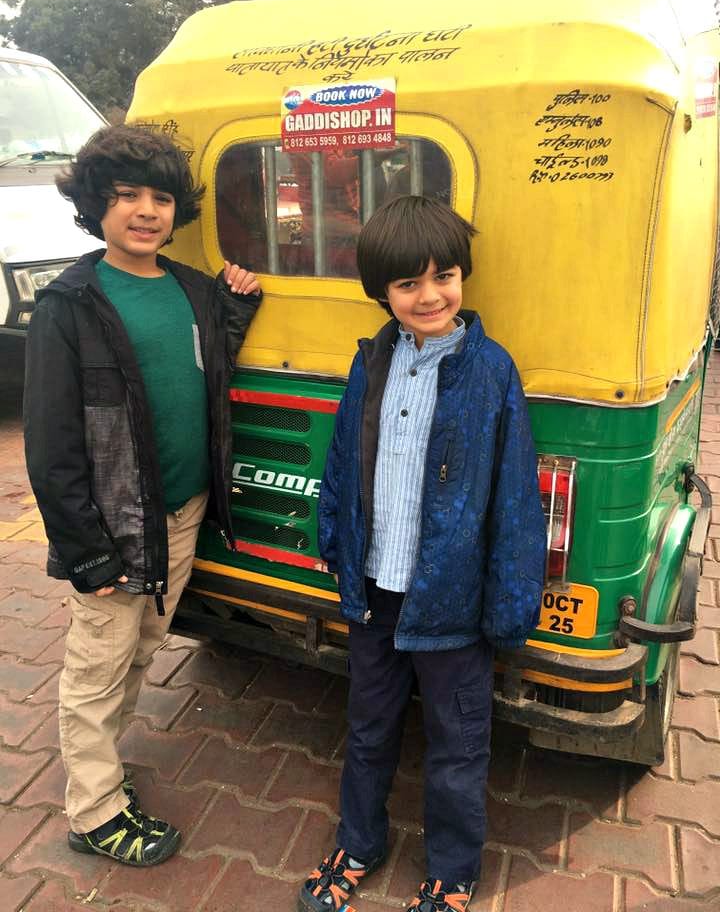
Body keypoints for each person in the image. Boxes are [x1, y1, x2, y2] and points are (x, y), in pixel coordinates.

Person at [297, 195, 545, 912]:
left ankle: (453, 872)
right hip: (375, 591)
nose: (429, 295)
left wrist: (507, 605)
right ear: (384, 293)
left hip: (454, 603)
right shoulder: (372, 362)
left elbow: (513, 500)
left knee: (458, 743)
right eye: (408, 284)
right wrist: (337, 545)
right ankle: (360, 842)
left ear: (463, 276)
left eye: (444, 276)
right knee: (369, 725)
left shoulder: (492, 372)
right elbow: (343, 459)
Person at [23, 124, 262, 867]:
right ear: (96, 206)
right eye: (125, 196)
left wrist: (235, 309)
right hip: (114, 526)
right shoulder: (73, 302)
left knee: (142, 648)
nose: (145, 211)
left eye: (160, 197)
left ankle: (105, 773)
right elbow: (50, 445)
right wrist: (88, 550)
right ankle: (94, 811)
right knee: (98, 665)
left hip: (183, 511)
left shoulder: (190, 288)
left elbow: (208, 362)